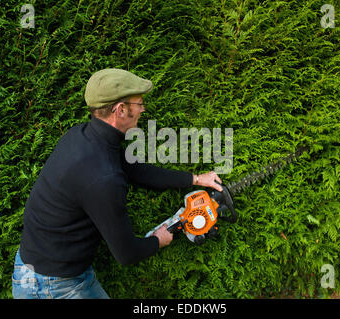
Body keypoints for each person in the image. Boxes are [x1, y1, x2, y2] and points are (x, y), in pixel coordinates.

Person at [12, 68, 223, 299]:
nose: (143, 110)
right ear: (121, 110)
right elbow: (127, 254)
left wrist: (194, 179)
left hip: (43, 269)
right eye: (140, 104)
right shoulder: (104, 177)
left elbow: (134, 169)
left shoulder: (83, 137)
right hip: (54, 286)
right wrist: (157, 240)